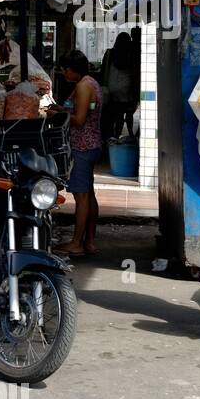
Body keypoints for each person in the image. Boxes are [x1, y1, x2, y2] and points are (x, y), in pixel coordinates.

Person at [51, 50, 102, 258]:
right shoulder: (91, 82)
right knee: (88, 194)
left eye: (65, 70)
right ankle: (89, 241)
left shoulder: (82, 86)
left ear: (72, 70)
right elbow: (81, 111)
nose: (64, 73)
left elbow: (79, 119)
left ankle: (76, 243)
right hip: (91, 144)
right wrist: (62, 108)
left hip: (82, 145)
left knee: (81, 196)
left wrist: (57, 115)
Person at [102, 31, 140, 139]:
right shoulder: (130, 53)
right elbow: (135, 70)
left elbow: (104, 68)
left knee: (118, 114)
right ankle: (131, 134)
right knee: (129, 112)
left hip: (112, 86)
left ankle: (117, 135)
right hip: (127, 88)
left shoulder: (111, 52)